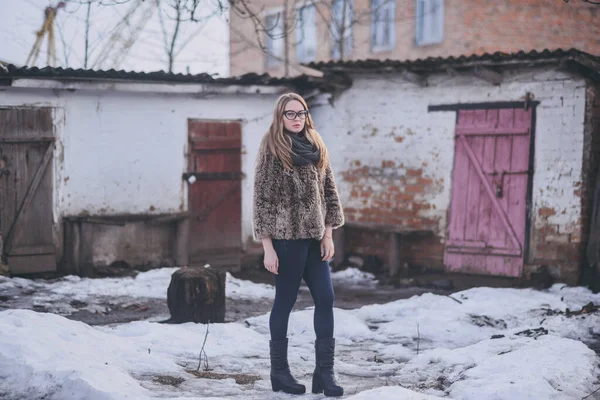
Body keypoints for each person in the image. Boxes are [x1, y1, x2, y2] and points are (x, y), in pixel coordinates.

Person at [252, 93, 345, 397]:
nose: (296, 118)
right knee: (285, 303)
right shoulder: (271, 148)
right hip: (286, 241)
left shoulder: (317, 144)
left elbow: (329, 192)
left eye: (301, 113)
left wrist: (328, 234)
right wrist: (268, 246)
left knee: (326, 298)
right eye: (289, 114)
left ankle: (325, 373)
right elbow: (262, 200)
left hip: (316, 239)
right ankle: (279, 373)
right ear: (280, 116)